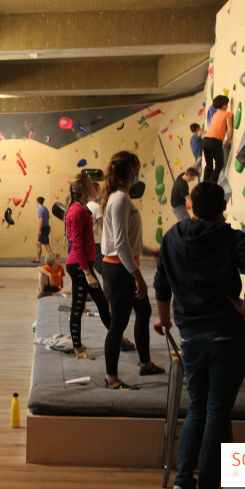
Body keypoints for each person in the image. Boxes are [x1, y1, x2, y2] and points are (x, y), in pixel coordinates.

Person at [153, 182, 245, 489]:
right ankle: (210, 487)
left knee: (197, 410)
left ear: (191, 206)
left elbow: (161, 285)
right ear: (222, 208)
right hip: (227, 337)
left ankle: (183, 483)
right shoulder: (233, 238)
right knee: (217, 412)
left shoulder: (172, 237)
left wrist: (163, 319)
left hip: (191, 337)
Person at [100, 151, 164, 389]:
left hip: (125, 265)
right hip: (120, 270)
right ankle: (112, 377)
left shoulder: (122, 198)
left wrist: (150, 252)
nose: (138, 173)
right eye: (136, 168)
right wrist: (139, 277)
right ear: (130, 170)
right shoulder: (119, 199)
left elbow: (128, 241)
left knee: (144, 311)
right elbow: (120, 244)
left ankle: (146, 363)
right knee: (119, 323)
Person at [64, 173, 115, 360]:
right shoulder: (76, 211)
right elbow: (76, 244)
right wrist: (87, 273)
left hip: (83, 264)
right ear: (84, 191)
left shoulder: (81, 209)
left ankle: (118, 337)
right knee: (78, 306)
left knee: (102, 302)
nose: (96, 189)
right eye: (92, 187)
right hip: (79, 266)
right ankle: (77, 349)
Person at [202, 96, 233, 183]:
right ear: (224, 105)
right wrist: (228, 141)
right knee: (219, 164)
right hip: (214, 141)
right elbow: (230, 129)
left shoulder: (215, 114)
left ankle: (204, 186)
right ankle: (211, 185)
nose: (227, 106)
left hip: (205, 140)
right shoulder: (228, 114)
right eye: (227, 104)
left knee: (209, 166)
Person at [86, 182, 104, 276]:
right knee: (104, 270)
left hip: (86, 242)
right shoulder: (96, 207)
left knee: (89, 270)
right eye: (100, 190)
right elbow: (103, 227)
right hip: (94, 243)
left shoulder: (86, 205)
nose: (101, 193)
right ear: (96, 192)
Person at [33, 197, 52, 264]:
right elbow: (48, 216)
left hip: (44, 228)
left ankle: (52, 260)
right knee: (38, 244)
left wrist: (38, 230)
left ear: (37, 201)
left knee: (46, 245)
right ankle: (37, 259)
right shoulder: (45, 209)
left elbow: (41, 220)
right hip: (46, 228)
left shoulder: (40, 210)